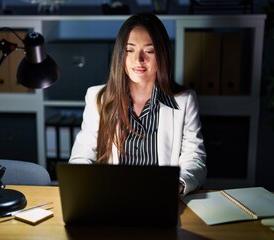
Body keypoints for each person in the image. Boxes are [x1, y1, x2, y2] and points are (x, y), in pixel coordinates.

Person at [69, 12, 206, 196]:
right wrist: (89, 183)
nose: (139, 59)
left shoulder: (184, 100)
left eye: (149, 51)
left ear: (162, 55)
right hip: (113, 197)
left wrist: (179, 184)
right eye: (129, 50)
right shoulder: (98, 97)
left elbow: (195, 159)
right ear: (120, 54)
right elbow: (81, 156)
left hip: (160, 198)